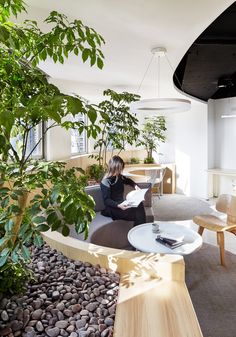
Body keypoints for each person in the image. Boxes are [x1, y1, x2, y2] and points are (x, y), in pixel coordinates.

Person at [100, 155, 146, 226]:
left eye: (121, 168)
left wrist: (135, 186)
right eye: (119, 169)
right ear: (113, 167)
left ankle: (139, 231)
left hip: (122, 204)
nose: (120, 171)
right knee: (138, 214)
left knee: (139, 205)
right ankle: (139, 231)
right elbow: (106, 200)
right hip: (113, 208)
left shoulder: (119, 176)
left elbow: (128, 180)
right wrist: (118, 205)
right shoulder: (106, 181)